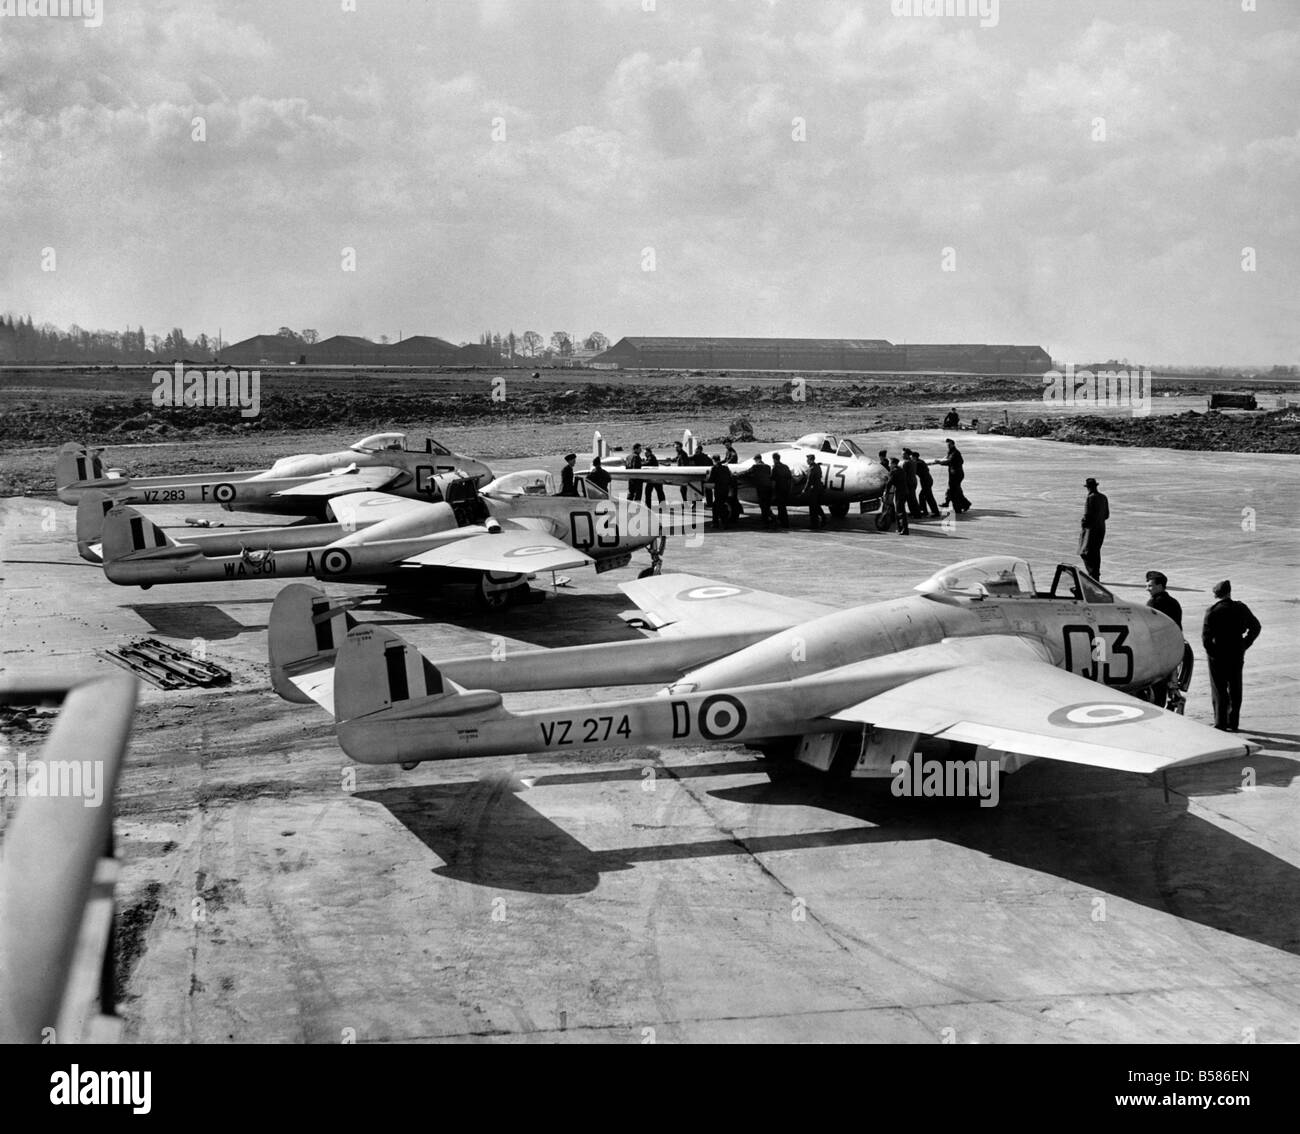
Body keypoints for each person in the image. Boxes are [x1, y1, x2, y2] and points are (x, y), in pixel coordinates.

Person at [1201, 580, 1262, 732]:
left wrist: (1213, 654)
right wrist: (1244, 644)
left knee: (1219, 688)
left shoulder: (1212, 611)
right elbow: (1256, 627)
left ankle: (1221, 722)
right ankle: (1233, 722)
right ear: (1229, 592)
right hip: (1236, 650)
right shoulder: (1241, 608)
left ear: (1216, 595)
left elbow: (1206, 638)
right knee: (1235, 687)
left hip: (1218, 652)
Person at [1145, 571, 1185, 709]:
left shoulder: (1153, 603)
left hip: (1158, 652)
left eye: (1150, 586)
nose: (1147, 589)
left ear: (1160, 586)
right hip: (1173, 649)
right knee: (1170, 683)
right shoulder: (1174, 602)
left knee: (1157, 686)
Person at [1078, 477, 1109, 580]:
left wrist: (1084, 524)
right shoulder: (1103, 497)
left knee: (1085, 552)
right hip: (1101, 528)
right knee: (1095, 552)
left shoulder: (1090, 498)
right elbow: (1106, 515)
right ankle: (1096, 574)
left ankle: (1093, 574)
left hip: (1091, 530)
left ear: (1088, 488)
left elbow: (1087, 515)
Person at [934, 438, 970, 513]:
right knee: (954, 490)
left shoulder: (955, 453)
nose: (948, 446)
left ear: (953, 444)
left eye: (949, 445)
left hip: (956, 474)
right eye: (947, 445)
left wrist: (940, 462)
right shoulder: (951, 451)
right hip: (954, 474)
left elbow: (949, 461)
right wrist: (940, 460)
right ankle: (963, 504)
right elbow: (946, 458)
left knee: (954, 491)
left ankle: (959, 507)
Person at [705, 455, 732, 529]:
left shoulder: (714, 468)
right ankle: (716, 522)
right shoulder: (726, 468)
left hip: (718, 490)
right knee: (718, 505)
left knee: (718, 506)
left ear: (713, 460)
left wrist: (707, 476)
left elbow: (711, 480)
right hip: (725, 489)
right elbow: (729, 478)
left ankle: (722, 523)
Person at [748, 454, 774, 526]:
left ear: (757, 459)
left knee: (762, 505)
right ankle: (769, 518)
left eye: (755, 460)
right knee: (767, 504)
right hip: (769, 488)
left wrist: (736, 474)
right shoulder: (768, 467)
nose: (755, 461)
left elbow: (747, 472)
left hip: (761, 488)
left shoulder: (755, 467)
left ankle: (765, 521)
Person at [914, 450, 941, 517]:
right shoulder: (921, 461)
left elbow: (914, 471)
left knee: (926, 496)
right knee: (926, 496)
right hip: (927, 480)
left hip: (926, 481)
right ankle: (927, 511)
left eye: (912, 457)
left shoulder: (918, 463)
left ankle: (933, 512)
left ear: (915, 457)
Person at [886, 458, 910, 534]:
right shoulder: (901, 470)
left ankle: (904, 530)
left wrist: (885, 492)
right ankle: (900, 528)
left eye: (890, 463)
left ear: (893, 464)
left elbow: (889, 483)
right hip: (905, 491)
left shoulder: (894, 471)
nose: (889, 465)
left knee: (900, 511)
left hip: (900, 493)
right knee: (900, 510)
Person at [770, 452, 792, 529]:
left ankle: (785, 523)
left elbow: (773, 481)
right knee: (782, 506)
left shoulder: (775, 468)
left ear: (774, 459)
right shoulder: (785, 467)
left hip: (779, 490)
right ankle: (780, 520)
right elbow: (790, 478)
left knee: (781, 507)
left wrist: (772, 492)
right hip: (786, 489)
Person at [805, 455, 825, 530]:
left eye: (808, 459)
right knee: (816, 505)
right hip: (819, 488)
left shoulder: (811, 468)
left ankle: (814, 524)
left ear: (811, 460)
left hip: (813, 490)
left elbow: (809, 481)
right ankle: (823, 518)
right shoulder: (818, 467)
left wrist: (804, 489)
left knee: (812, 508)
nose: (807, 461)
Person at [901, 449, 922, 518]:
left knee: (911, 499)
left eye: (903, 454)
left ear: (907, 454)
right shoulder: (913, 461)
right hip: (913, 482)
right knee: (911, 499)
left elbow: (904, 475)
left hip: (908, 483)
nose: (902, 455)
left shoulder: (906, 463)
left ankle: (916, 514)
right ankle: (915, 513)